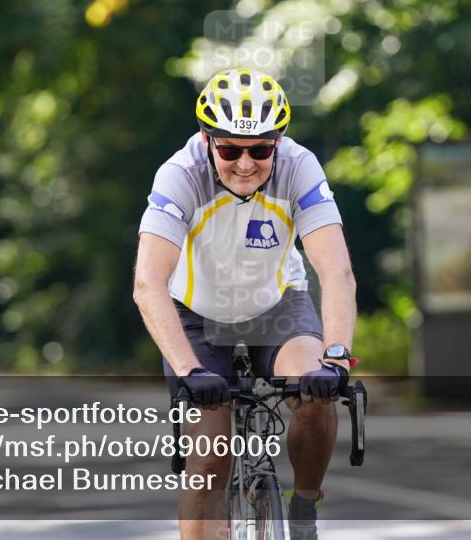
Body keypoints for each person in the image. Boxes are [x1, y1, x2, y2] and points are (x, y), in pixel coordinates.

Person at [133, 68, 357, 540]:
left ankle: (304, 506)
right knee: (211, 455)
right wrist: (190, 373)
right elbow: (148, 283)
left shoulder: (299, 167)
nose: (245, 164)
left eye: (260, 150)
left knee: (316, 400)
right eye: (230, 149)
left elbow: (335, 270)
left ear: (278, 143)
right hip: (196, 314)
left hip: (276, 304)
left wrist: (336, 356)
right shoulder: (180, 175)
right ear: (206, 139)